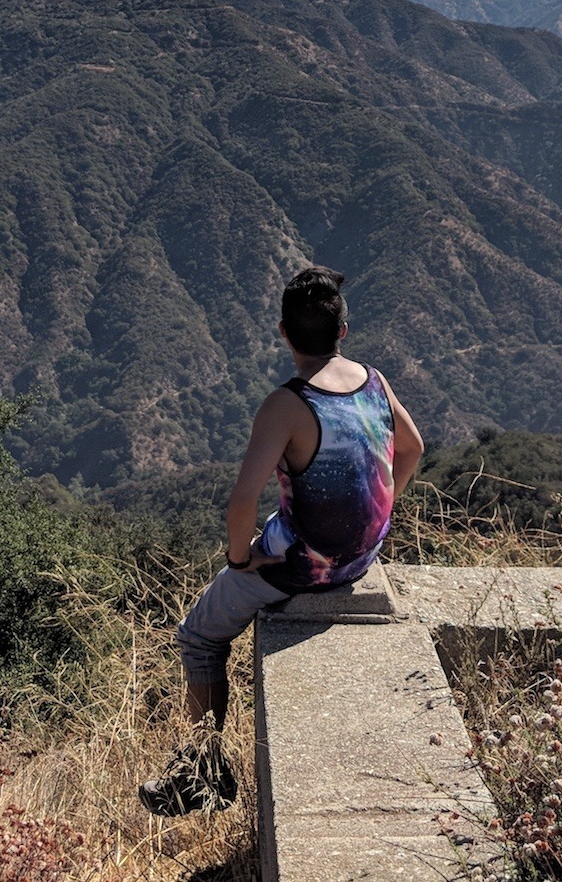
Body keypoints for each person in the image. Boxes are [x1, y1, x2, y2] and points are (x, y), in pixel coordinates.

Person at [138, 265, 425, 816]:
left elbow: (241, 504)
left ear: (283, 333)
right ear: (343, 330)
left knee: (198, 637)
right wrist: (379, 510)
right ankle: (199, 772)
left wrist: (239, 558)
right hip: (361, 555)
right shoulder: (374, 380)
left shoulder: (287, 405)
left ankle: (201, 775)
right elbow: (412, 448)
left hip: (303, 562)